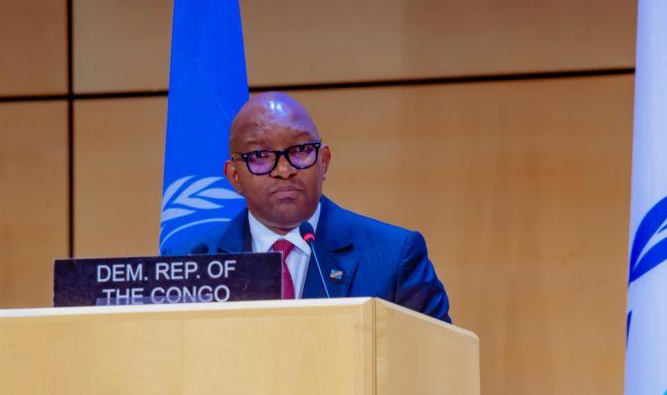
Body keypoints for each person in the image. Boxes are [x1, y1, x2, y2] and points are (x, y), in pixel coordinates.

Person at [163, 91, 451, 323]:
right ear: (234, 177)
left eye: (300, 150)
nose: (284, 170)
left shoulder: (394, 258)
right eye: (260, 155)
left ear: (323, 162)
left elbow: (434, 364)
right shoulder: (189, 264)